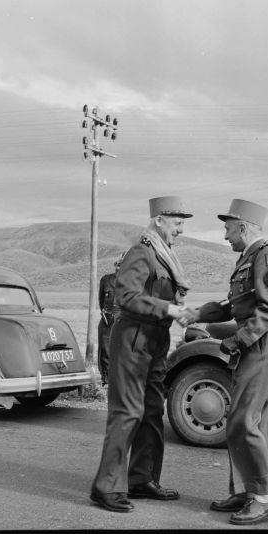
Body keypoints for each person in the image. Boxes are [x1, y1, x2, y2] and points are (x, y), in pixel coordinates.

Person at [179, 199, 268, 526]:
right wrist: (197, 314)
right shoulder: (249, 258)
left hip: (267, 344)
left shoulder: (267, 256)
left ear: (243, 226)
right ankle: (246, 491)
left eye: (228, 228)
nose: (225, 235)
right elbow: (233, 305)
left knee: (244, 421)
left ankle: (265, 499)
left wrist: (235, 341)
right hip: (258, 345)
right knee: (244, 419)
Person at [90, 196, 194, 513]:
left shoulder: (164, 257)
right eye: (177, 223)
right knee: (127, 412)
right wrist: (168, 308)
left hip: (155, 339)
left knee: (151, 411)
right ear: (159, 220)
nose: (181, 229)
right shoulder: (142, 252)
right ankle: (105, 487)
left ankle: (141, 479)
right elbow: (126, 296)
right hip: (134, 337)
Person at [97, 251, 127, 386]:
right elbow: (101, 300)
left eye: (123, 265)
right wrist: (106, 314)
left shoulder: (131, 282)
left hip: (123, 319)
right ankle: (106, 379)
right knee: (105, 349)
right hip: (108, 318)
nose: (119, 267)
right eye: (118, 264)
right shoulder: (106, 279)